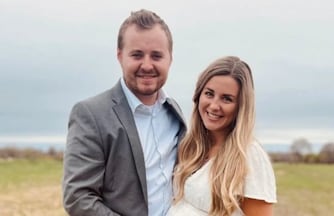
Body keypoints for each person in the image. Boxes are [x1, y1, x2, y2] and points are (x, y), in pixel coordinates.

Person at [62, 9, 186, 216]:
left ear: (170, 59)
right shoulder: (91, 114)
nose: (147, 65)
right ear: (120, 56)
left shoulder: (175, 112)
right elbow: (78, 197)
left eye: (156, 56)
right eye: (137, 55)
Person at [168, 56, 277, 216]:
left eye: (227, 99)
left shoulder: (249, 156)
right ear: (198, 96)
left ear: (241, 107)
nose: (214, 106)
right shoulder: (191, 146)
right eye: (209, 94)